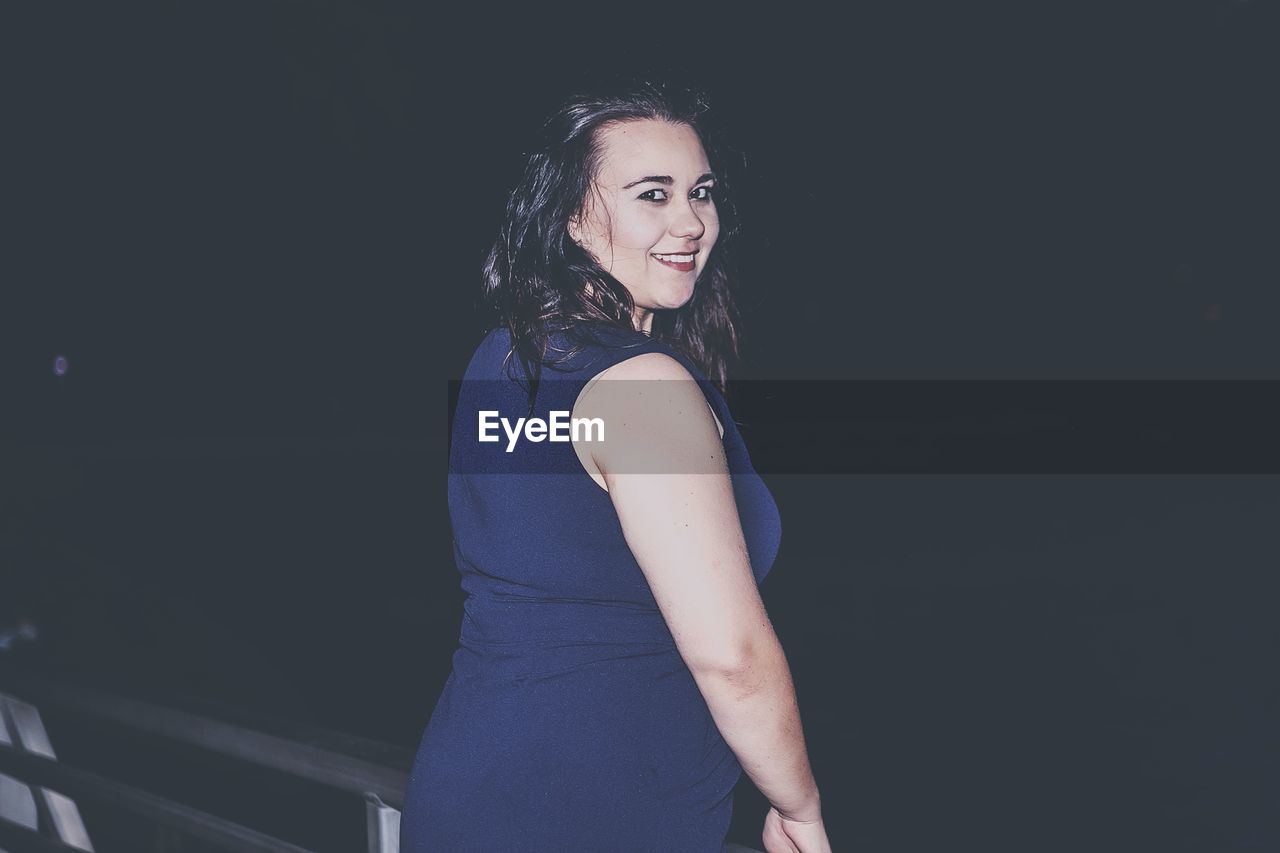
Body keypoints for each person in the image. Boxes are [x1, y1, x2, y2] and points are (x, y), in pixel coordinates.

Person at [400, 79, 832, 853]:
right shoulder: (641, 386)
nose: (691, 221)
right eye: (652, 194)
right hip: (597, 805)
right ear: (569, 214)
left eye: (701, 192)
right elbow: (731, 655)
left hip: (473, 783)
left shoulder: (506, 355)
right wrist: (797, 802)